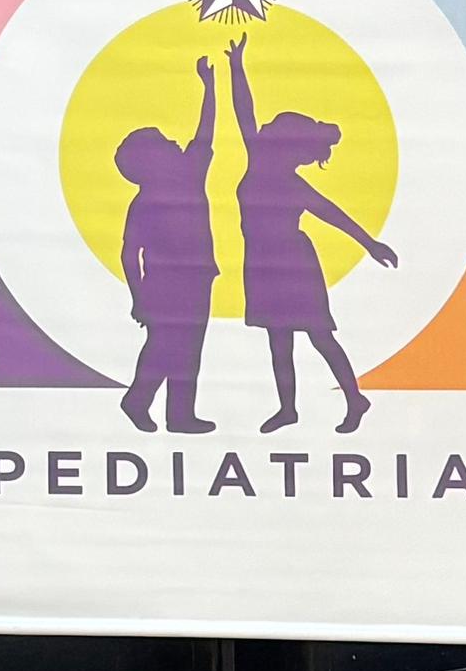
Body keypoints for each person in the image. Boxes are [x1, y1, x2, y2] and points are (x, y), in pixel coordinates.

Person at [227, 34, 397, 435]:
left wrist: (370, 244)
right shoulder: (258, 160)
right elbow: (243, 109)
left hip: (293, 265)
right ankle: (288, 409)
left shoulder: (290, 182)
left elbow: (333, 215)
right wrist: (236, 66)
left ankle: (355, 399)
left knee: (319, 336)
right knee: (278, 340)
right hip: (262, 264)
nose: (263, 129)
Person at [114, 55, 221, 434]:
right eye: (164, 142)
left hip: (198, 278)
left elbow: (205, 133)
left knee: (188, 348)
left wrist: (210, 87)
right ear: (150, 162)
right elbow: (129, 253)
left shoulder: (190, 173)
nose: (175, 141)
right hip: (165, 286)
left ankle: (180, 415)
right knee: (164, 346)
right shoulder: (145, 202)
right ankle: (138, 400)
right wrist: (138, 296)